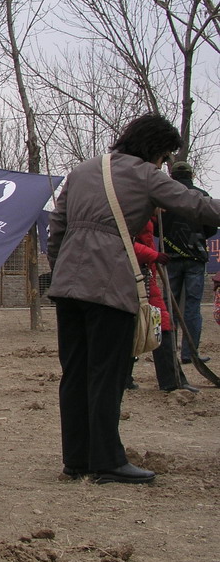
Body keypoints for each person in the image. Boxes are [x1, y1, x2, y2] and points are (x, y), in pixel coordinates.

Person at [47, 113, 220, 485]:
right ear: (155, 149)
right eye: (164, 156)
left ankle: (75, 460)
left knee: (74, 373)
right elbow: (196, 206)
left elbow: (56, 229)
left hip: (67, 285)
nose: (163, 164)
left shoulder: (81, 171)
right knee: (106, 375)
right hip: (109, 284)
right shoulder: (145, 174)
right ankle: (108, 461)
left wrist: (62, 269)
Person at [131, 217, 197, 392]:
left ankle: (124, 378)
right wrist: (154, 255)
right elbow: (123, 244)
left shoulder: (147, 214)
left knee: (136, 324)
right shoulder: (133, 210)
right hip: (135, 274)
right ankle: (171, 380)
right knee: (159, 323)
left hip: (143, 273)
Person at [161, 161, 216, 364]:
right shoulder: (201, 195)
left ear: (172, 175)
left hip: (170, 257)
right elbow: (211, 227)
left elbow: (158, 225)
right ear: (191, 175)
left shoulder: (165, 197)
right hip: (195, 257)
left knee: (169, 306)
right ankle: (189, 354)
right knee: (192, 306)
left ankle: (168, 355)